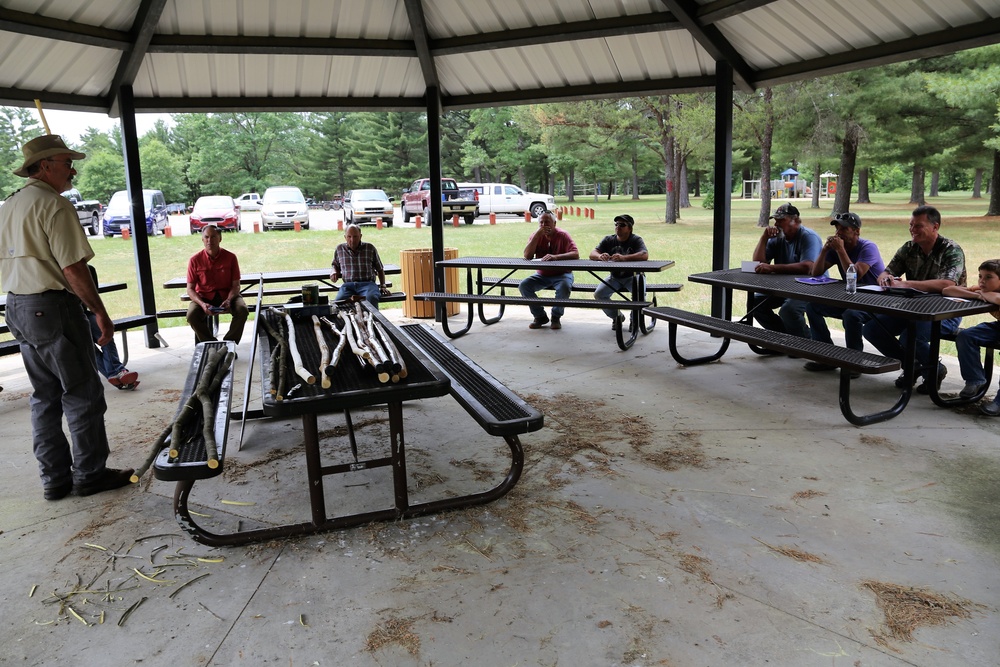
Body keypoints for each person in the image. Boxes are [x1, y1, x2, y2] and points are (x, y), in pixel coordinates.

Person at [0, 134, 133, 500]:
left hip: (18, 306)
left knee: (45, 396)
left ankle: (54, 480)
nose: (72, 169)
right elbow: (73, 268)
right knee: (82, 393)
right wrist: (100, 312)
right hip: (54, 307)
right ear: (44, 167)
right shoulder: (54, 206)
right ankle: (89, 474)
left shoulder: (8, 205)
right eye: (65, 162)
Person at [863, 205, 966, 394]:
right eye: (911, 225)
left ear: (935, 227)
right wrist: (885, 279)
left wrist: (907, 284)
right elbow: (886, 271)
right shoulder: (909, 247)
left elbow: (947, 284)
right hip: (913, 308)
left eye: (918, 226)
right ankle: (914, 366)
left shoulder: (951, 250)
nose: (912, 229)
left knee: (911, 336)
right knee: (872, 329)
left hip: (946, 310)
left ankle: (932, 371)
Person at [802, 212, 886, 372]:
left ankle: (854, 362)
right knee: (813, 306)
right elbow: (815, 272)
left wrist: (840, 250)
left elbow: (856, 274)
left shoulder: (868, 247)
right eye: (837, 229)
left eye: (844, 229)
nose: (838, 233)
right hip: (851, 299)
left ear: (857, 231)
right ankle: (826, 356)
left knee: (851, 315)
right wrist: (824, 250)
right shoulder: (837, 249)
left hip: (874, 301)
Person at [750, 203, 822, 339]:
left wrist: (772, 268)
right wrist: (764, 238)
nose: (777, 224)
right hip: (784, 287)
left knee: (789, 310)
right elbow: (758, 263)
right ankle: (784, 338)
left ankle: (804, 343)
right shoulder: (778, 237)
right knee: (754, 304)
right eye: (775, 220)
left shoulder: (808, 236)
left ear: (796, 221)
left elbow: (808, 267)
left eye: (781, 220)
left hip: (810, 287)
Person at [942, 259, 1000, 412]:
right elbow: (948, 290)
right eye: (980, 276)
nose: (982, 281)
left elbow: (998, 299)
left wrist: (985, 294)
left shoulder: (989, 292)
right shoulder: (983, 290)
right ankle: (975, 380)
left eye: (988, 277)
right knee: (966, 336)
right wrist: (976, 295)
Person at [185, 224, 249, 343]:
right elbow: (190, 289)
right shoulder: (195, 260)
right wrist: (203, 304)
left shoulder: (231, 257)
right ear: (202, 239)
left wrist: (229, 300)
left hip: (228, 296)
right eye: (207, 237)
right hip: (204, 297)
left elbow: (236, 286)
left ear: (220, 238)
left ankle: (229, 343)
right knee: (192, 315)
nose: (210, 240)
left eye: (213, 237)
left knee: (242, 310)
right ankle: (210, 343)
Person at [519, 210, 579, 330]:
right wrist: (536, 236)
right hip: (542, 274)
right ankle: (540, 316)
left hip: (562, 274)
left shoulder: (563, 235)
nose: (544, 225)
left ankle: (556, 317)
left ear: (554, 223)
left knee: (564, 287)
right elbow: (527, 256)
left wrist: (556, 257)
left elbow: (575, 254)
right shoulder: (535, 235)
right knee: (524, 286)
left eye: (547, 222)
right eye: (541, 222)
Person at [589, 213, 648, 330]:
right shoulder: (608, 239)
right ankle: (617, 316)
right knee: (599, 295)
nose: (618, 227)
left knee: (639, 295)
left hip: (634, 276)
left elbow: (644, 254)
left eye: (622, 225)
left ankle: (634, 320)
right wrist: (600, 256)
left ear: (629, 228)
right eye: (616, 224)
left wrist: (624, 258)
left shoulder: (636, 240)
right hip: (614, 277)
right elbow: (592, 254)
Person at [86, 265, 139, 390]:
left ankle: (116, 374)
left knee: (105, 334)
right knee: (87, 346)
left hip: (84, 313)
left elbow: (92, 296)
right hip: (63, 317)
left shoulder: (89, 269)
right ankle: (119, 373)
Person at [330, 224, 389, 306]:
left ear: (360, 236)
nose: (352, 240)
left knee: (371, 297)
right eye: (349, 237)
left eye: (355, 236)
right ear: (345, 237)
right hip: (348, 286)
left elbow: (380, 269)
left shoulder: (369, 248)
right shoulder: (340, 249)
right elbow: (335, 265)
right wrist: (334, 271)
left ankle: (372, 318)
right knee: (339, 302)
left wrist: (383, 286)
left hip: (368, 284)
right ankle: (348, 318)